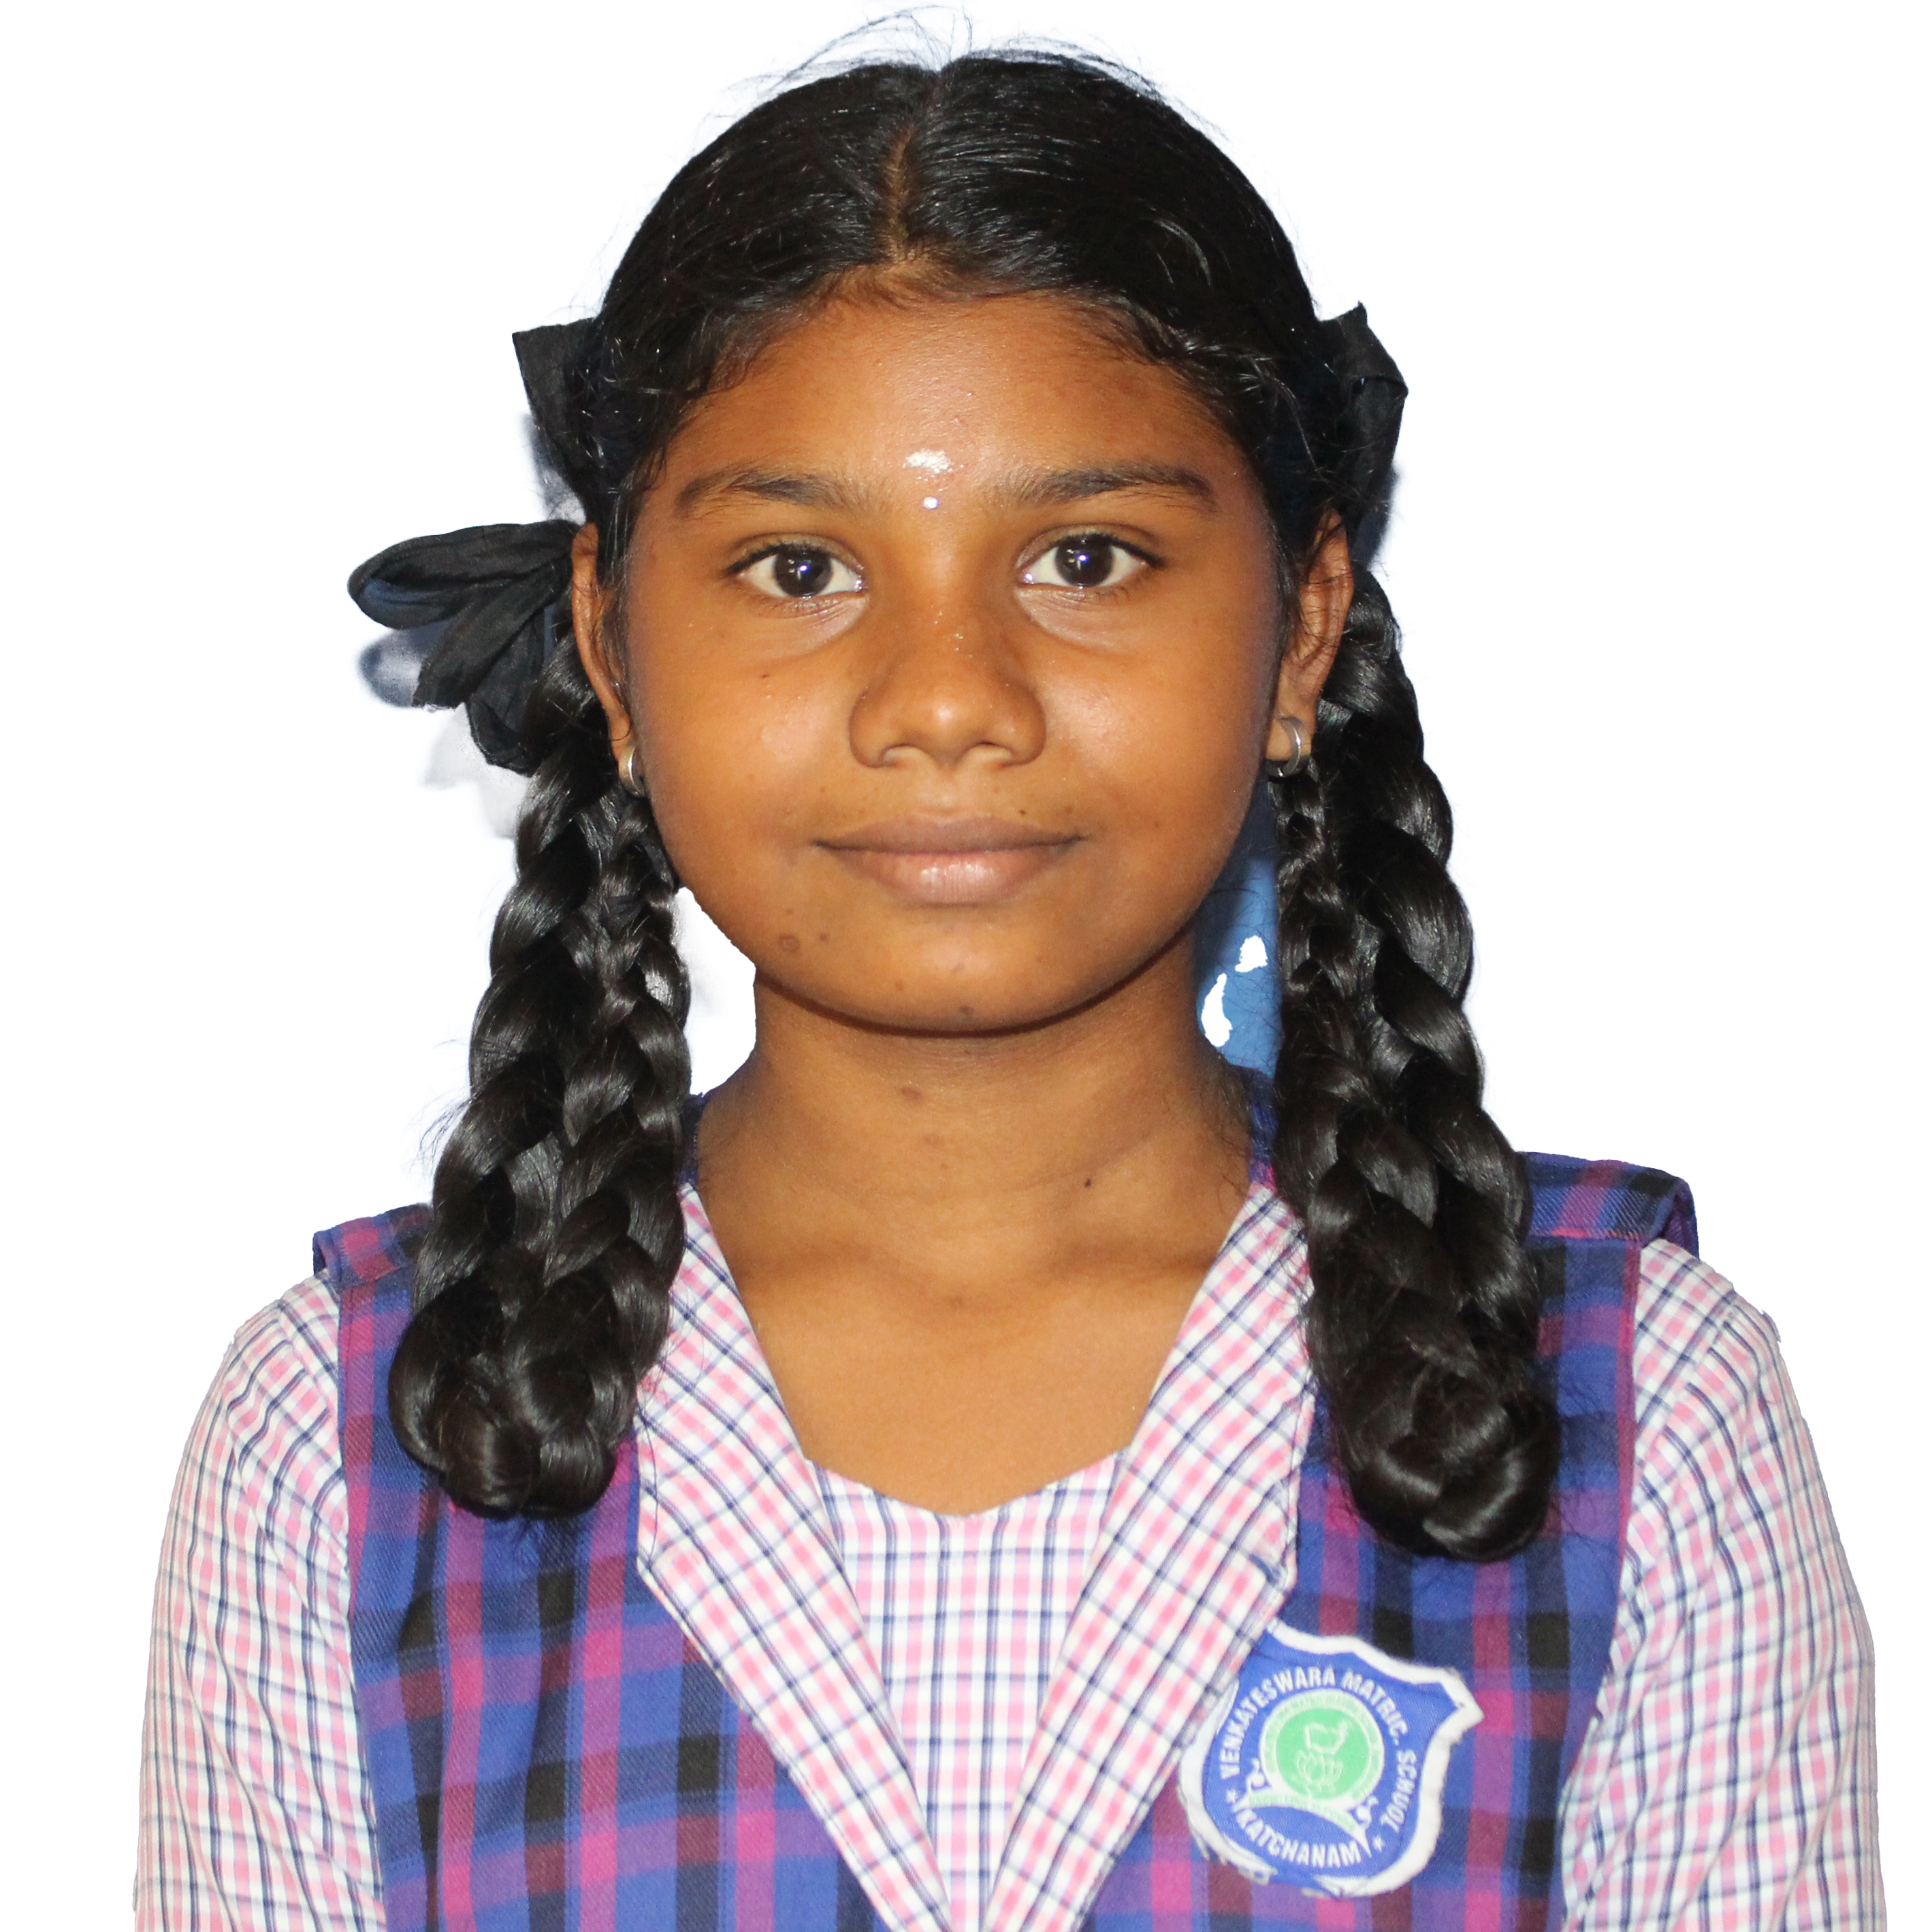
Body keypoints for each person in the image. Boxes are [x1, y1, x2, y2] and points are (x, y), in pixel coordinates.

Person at [136, 48, 1880, 1931]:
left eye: (1085, 558)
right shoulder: (348, 1445)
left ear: (1301, 628)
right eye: (799, 568)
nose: (949, 699)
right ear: (611, 645)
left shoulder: (1633, 1411)